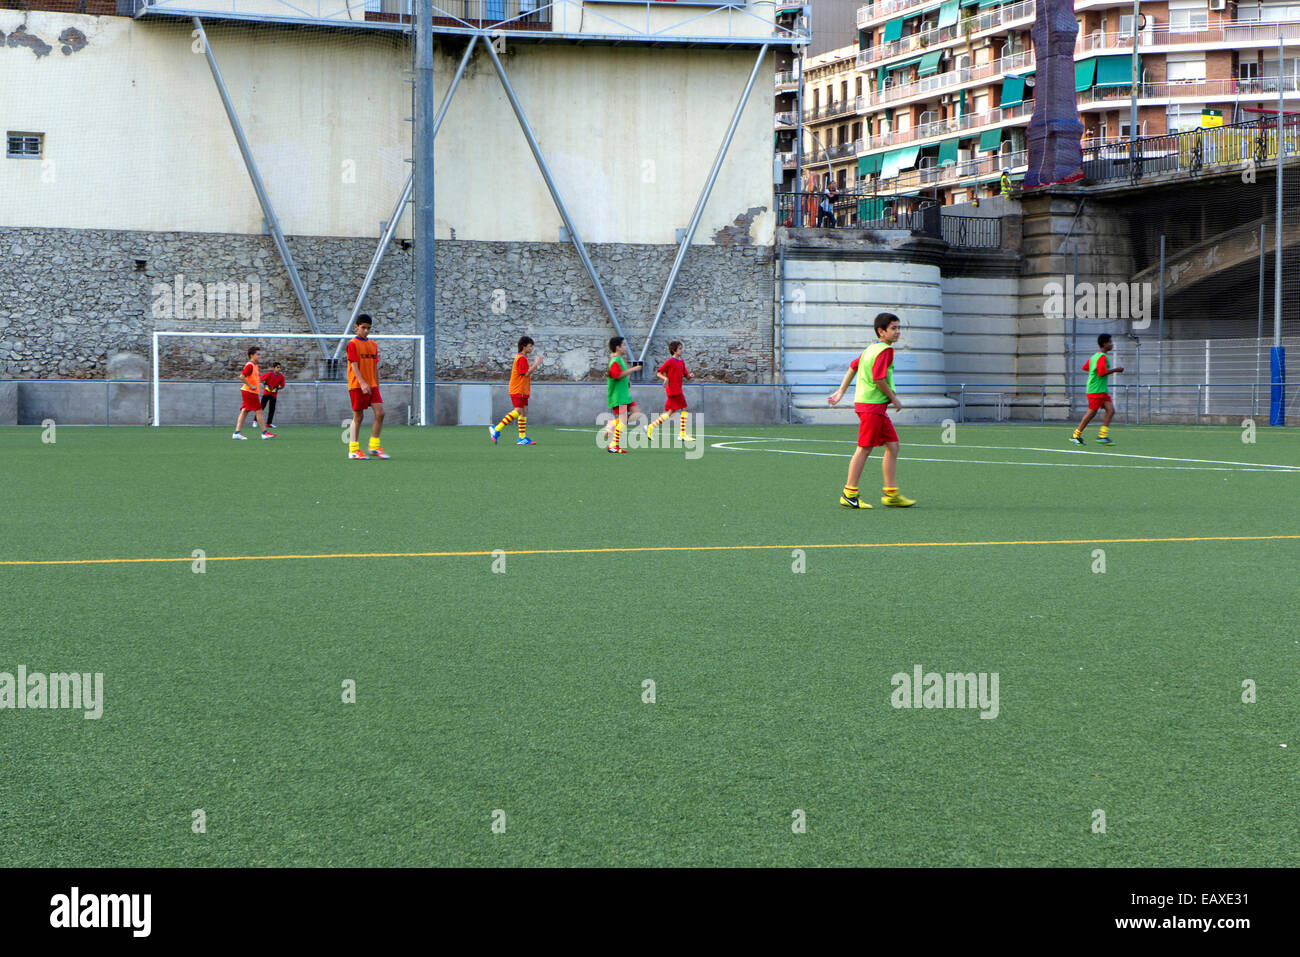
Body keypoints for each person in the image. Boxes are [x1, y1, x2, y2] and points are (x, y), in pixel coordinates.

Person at [826, 312, 916, 508]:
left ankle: (891, 494)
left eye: (899, 328)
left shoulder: (871, 349)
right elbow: (878, 378)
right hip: (872, 407)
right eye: (893, 328)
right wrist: (894, 398)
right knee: (864, 449)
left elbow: (853, 367)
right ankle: (849, 493)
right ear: (881, 332)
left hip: (871, 406)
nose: (898, 332)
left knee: (892, 446)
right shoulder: (884, 351)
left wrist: (841, 392)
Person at [346, 314, 388, 460]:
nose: (366, 331)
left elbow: (374, 366)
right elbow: (354, 365)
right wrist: (362, 383)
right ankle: (353, 449)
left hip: (373, 385)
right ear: (356, 327)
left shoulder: (373, 345)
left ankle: (374, 446)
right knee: (358, 416)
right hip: (357, 385)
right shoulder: (352, 344)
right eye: (363, 328)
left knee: (380, 413)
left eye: (368, 328)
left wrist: (377, 383)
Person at [1071, 333, 1123, 445]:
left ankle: (1102, 436)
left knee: (1111, 410)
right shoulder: (1102, 357)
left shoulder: (1095, 356)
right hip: (1096, 390)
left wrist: (1093, 375)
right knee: (1091, 413)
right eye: (1110, 342)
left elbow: (1086, 367)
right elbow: (1101, 372)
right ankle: (1076, 434)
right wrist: (1116, 370)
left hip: (1101, 390)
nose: (1112, 344)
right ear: (1104, 344)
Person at [490, 336, 542, 446]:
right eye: (530, 346)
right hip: (517, 389)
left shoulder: (522, 357)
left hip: (523, 389)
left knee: (524, 411)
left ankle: (522, 438)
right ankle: (496, 429)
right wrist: (536, 364)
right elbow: (526, 373)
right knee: (518, 411)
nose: (531, 349)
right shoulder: (521, 358)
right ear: (524, 346)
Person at [647, 340, 694, 443]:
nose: (682, 350)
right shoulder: (670, 361)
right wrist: (665, 378)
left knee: (670, 412)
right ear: (674, 350)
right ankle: (682, 434)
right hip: (673, 390)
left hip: (677, 389)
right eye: (680, 349)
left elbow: (686, 376)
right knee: (684, 408)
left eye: (681, 348)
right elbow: (659, 373)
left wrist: (689, 376)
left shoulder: (681, 362)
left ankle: (651, 427)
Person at [605, 337, 643, 454]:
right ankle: (613, 445)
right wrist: (633, 369)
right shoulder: (615, 360)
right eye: (624, 345)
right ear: (618, 347)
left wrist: (627, 382)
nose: (626, 347)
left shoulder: (620, 360)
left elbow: (619, 376)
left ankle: (612, 423)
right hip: (618, 397)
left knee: (637, 413)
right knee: (623, 419)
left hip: (624, 395)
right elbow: (617, 375)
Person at [233, 346, 274, 441]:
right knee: (259, 410)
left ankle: (237, 433)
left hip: (250, 391)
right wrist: (251, 385)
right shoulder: (250, 365)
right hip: (249, 391)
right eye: (258, 354)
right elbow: (242, 376)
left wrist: (262, 382)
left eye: (260, 354)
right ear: (252, 355)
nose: (259, 356)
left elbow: (255, 378)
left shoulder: (255, 365)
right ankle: (265, 433)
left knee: (245, 411)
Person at [260, 361, 285, 430]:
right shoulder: (269, 374)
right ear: (274, 368)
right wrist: (265, 385)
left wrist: (277, 388)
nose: (279, 369)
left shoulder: (281, 376)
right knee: (261, 407)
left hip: (274, 394)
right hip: (266, 393)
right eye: (277, 367)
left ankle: (269, 423)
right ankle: (255, 421)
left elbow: (282, 386)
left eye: (280, 367)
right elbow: (261, 379)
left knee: (272, 409)